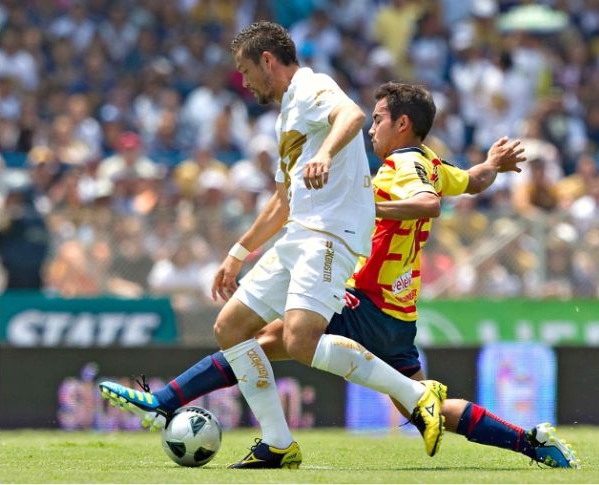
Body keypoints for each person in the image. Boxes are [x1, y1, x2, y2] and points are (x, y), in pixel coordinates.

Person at [100, 82, 580, 469]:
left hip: (367, 303)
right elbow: (469, 183)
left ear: (403, 123)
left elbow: (428, 206)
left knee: (258, 340)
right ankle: (532, 443)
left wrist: (369, 205)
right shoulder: (432, 162)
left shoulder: (401, 164)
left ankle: (167, 400)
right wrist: (491, 165)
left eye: (377, 119)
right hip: (398, 315)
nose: (372, 129)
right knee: (422, 410)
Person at [101, 23, 447, 468]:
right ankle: (278, 443)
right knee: (229, 328)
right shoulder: (287, 117)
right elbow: (283, 201)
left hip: (329, 234)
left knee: (301, 339)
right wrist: (237, 254)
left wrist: (325, 155)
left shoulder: (310, 86)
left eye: (246, 71)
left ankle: (417, 397)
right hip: (299, 233)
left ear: (268, 61)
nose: (244, 82)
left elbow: (353, 116)